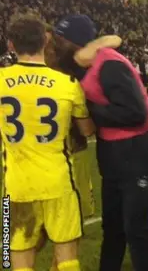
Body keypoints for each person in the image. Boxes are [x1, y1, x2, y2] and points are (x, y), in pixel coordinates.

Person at [53, 14, 148, 271]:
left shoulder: (110, 65)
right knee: (112, 227)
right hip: (114, 156)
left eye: (61, 39)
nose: (57, 44)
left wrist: (90, 110)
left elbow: (136, 113)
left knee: (136, 229)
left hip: (137, 154)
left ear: (75, 41)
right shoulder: (81, 64)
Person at [1, 14, 95, 271]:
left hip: (16, 187)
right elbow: (87, 131)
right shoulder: (67, 84)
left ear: (11, 45)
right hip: (58, 182)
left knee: (16, 255)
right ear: (45, 41)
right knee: (67, 254)